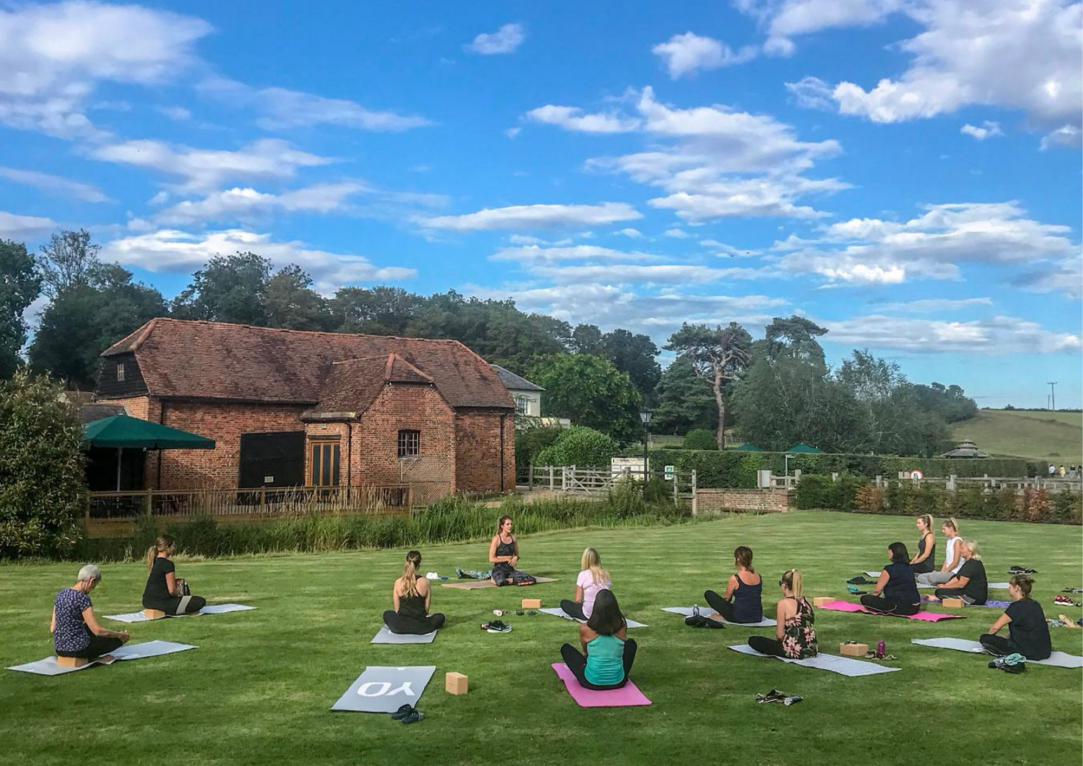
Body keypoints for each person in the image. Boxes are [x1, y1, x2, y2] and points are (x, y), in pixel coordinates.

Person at [559, 589, 637, 690]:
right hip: (618, 682)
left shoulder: (585, 628)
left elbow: (585, 652)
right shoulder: (622, 626)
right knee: (631, 643)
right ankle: (614, 673)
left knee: (566, 648)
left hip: (590, 682)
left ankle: (600, 673)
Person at [52, 564, 130, 660]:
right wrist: (119, 635)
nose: (93, 588)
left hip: (59, 649)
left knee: (86, 627)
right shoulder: (82, 598)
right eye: (94, 585)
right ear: (91, 581)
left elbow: (53, 628)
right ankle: (98, 656)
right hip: (78, 650)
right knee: (115, 641)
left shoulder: (60, 595)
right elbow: (97, 630)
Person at [748, 569, 817, 659]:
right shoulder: (807, 601)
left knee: (754, 640)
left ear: (784, 585)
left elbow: (779, 635)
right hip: (811, 649)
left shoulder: (783, 603)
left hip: (794, 650)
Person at [979, 575, 1051, 660]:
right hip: (1044, 651)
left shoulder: (1015, 607)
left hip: (1027, 651)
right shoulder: (1035, 604)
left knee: (984, 638)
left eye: (1010, 586)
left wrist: (990, 638)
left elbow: (995, 628)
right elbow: (1028, 627)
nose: (1008, 588)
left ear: (1016, 588)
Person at [383, 550, 445, 635]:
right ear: (419, 565)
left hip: (400, 627)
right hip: (421, 627)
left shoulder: (398, 582)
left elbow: (397, 610)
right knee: (440, 617)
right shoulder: (425, 582)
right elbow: (426, 610)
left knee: (387, 614)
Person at [142, 535, 207, 615]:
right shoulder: (167, 564)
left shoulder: (155, 561)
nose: (174, 548)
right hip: (161, 603)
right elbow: (172, 590)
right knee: (200, 601)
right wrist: (180, 593)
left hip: (147, 601)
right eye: (173, 546)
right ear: (167, 547)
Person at [704, 546, 763, 624]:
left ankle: (723, 616)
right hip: (757, 616)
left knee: (708, 594)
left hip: (740, 617)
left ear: (737, 559)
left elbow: (727, 599)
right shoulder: (758, 576)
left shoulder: (735, 578)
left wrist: (723, 614)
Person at [861, 542, 921, 615]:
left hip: (901, 607)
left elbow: (877, 591)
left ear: (894, 553)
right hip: (915, 607)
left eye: (889, 552)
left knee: (865, 599)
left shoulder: (889, 569)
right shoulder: (909, 567)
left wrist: (872, 598)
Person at [561, 547, 611, 621]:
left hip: (589, 614)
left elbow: (578, 599)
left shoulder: (583, 574)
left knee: (564, 603)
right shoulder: (605, 574)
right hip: (604, 612)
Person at [934, 539, 988, 605]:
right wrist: (944, 586)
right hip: (970, 593)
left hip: (973, 597)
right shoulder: (971, 562)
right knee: (943, 589)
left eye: (962, 549)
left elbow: (961, 584)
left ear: (970, 551)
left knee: (939, 592)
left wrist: (944, 587)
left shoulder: (971, 564)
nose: (960, 550)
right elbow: (957, 578)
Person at [489, 516, 535, 586]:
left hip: (510, 569)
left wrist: (515, 558)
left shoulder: (513, 538)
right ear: (502, 526)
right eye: (507, 524)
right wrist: (507, 559)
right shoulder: (496, 539)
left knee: (531, 579)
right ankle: (498, 579)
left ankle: (511, 580)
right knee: (501, 581)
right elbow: (491, 559)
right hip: (499, 568)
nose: (510, 526)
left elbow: (516, 554)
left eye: (511, 524)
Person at [917, 518, 964, 586]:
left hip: (955, 573)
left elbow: (955, 562)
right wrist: (942, 572)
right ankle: (940, 582)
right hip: (947, 572)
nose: (943, 531)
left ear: (951, 528)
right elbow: (947, 560)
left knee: (929, 577)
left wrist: (944, 573)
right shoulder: (949, 541)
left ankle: (944, 582)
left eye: (944, 529)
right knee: (921, 577)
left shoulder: (957, 541)